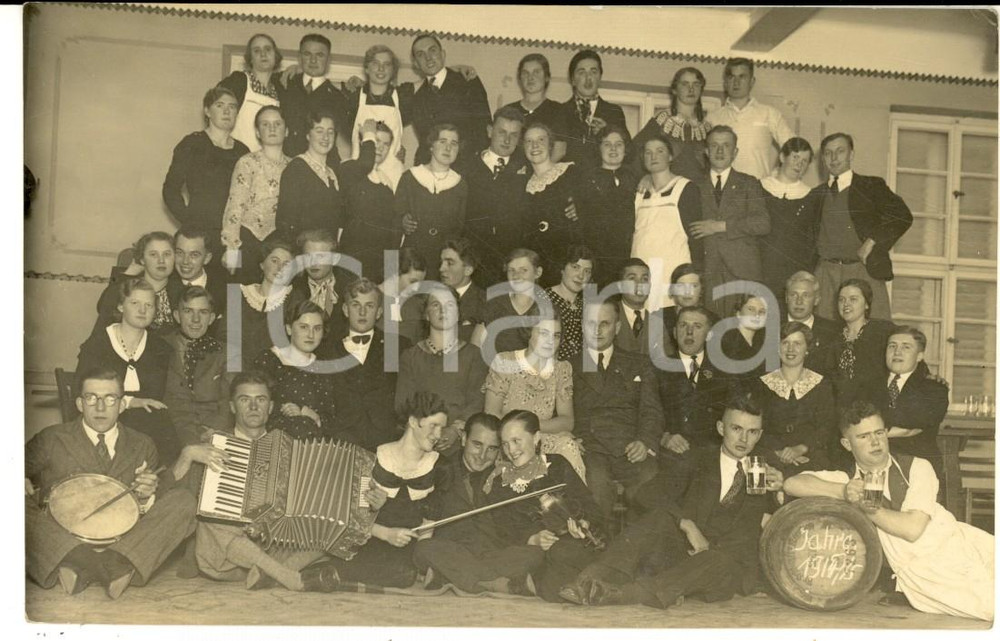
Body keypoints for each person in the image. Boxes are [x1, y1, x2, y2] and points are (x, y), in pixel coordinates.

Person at [559, 393, 784, 609]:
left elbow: (788, 519)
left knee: (719, 561)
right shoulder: (698, 459)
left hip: (722, 567)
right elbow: (647, 493)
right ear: (720, 428)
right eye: (736, 429)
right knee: (660, 518)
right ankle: (587, 582)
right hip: (684, 552)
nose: (744, 439)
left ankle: (625, 594)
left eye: (752, 432)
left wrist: (780, 491)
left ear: (760, 435)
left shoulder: (767, 468)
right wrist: (686, 524)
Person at [784, 401, 994, 621]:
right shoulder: (848, 479)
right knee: (990, 607)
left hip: (959, 542)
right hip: (927, 571)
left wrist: (866, 506)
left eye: (879, 432)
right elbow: (792, 483)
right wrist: (843, 491)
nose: (875, 442)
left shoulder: (917, 466)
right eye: (863, 436)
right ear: (847, 444)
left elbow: (912, 529)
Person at [26, 369, 197, 599]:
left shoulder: (143, 443)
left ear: (122, 405)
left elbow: (148, 506)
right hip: (62, 536)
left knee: (184, 501)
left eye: (110, 399)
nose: (100, 407)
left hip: (122, 541)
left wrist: (147, 495)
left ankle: (106, 562)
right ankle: (90, 561)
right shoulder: (51, 438)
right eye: (91, 397)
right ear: (79, 404)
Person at [176, 371, 331, 591]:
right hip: (225, 556)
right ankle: (283, 574)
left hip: (273, 545)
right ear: (232, 407)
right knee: (212, 515)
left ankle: (268, 572)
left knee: (331, 524)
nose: (253, 406)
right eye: (244, 400)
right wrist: (187, 456)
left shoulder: (288, 447)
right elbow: (177, 498)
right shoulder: (212, 445)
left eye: (261, 399)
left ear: (270, 407)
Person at [304, 391, 450, 589]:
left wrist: (421, 555)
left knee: (403, 574)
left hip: (407, 548)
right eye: (434, 426)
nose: (439, 435)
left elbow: (429, 525)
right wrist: (386, 534)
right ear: (413, 421)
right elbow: (355, 518)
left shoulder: (441, 467)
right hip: (372, 537)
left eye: (442, 428)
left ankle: (324, 574)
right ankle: (318, 573)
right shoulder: (372, 457)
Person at [413, 413, 544, 595]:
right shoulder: (440, 468)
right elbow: (425, 522)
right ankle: (497, 583)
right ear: (464, 438)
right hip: (452, 549)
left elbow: (516, 527)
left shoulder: (504, 477)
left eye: (492, 449)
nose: (482, 456)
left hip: (493, 553)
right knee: (424, 549)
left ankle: (451, 577)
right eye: (477, 445)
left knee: (535, 554)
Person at [482, 410, 606, 603]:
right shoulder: (500, 480)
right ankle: (564, 584)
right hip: (530, 550)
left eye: (516, 441)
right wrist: (532, 538)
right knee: (531, 557)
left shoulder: (557, 465)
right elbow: (501, 527)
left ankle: (534, 584)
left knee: (563, 553)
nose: (511, 450)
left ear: (536, 437)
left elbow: (592, 509)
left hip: (567, 545)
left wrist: (583, 523)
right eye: (505, 444)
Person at [571, 299, 663, 523]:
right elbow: (559, 412)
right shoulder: (568, 365)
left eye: (605, 323)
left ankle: (639, 542)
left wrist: (645, 441)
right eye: (591, 323)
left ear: (618, 327)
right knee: (596, 489)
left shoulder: (639, 363)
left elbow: (652, 410)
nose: (597, 330)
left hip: (630, 447)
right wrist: (570, 439)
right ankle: (598, 541)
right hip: (590, 448)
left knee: (649, 485)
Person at [810, 132, 913, 321]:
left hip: (863, 271)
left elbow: (902, 216)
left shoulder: (871, 186)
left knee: (872, 331)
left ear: (851, 154)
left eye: (840, 151)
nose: (834, 158)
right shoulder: (815, 194)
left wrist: (872, 241)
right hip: (825, 275)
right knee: (825, 332)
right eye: (828, 153)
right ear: (823, 158)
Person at [78, 278, 177, 463]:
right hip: (103, 415)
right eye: (135, 303)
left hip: (149, 424)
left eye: (149, 305)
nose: (142, 310)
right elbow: (84, 389)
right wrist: (131, 402)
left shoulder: (161, 348)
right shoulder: (98, 344)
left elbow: (164, 394)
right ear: (121, 306)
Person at [647, 306, 732, 505]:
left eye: (697, 326)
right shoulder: (657, 368)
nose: (689, 332)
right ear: (674, 332)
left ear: (709, 334)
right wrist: (664, 437)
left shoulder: (724, 370)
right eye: (683, 325)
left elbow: (734, 413)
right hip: (672, 451)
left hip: (713, 451)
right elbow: (647, 412)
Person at [483, 314, 583, 479]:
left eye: (556, 336)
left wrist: (533, 432)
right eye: (543, 333)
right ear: (529, 332)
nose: (550, 341)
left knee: (567, 445)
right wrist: (526, 432)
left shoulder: (561, 369)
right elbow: (491, 414)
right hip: (508, 442)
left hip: (542, 440)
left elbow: (567, 421)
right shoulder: (505, 361)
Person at [396, 285, 489, 456]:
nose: (442, 310)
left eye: (449, 305)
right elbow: (404, 402)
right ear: (426, 314)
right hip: (419, 440)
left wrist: (455, 430)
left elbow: (476, 402)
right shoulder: (410, 356)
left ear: (458, 313)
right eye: (435, 305)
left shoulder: (474, 356)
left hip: (458, 444)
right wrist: (428, 432)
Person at [692, 125, 770, 318]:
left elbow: (762, 223)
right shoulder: (693, 186)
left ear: (735, 152)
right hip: (709, 271)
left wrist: (721, 226)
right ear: (706, 151)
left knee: (743, 327)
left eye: (726, 146)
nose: (720, 151)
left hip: (743, 270)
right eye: (714, 145)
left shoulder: (749, 183)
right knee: (712, 326)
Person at [162, 86, 249, 247]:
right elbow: (170, 189)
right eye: (220, 105)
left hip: (233, 236)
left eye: (232, 107)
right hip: (199, 234)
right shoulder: (192, 143)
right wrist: (189, 222)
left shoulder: (243, 151)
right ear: (207, 111)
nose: (227, 111)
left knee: (234, 264)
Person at [328, 278, 407, 451]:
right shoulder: (328, 349)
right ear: (345, 310)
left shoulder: (399, 346)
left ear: (379, 312)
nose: (362, 312)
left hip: (386, 438)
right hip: (341, 437)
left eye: (369, 306)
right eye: (356, 305)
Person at [860, 326, 949, 479]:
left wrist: (866, 434)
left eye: (906, 347)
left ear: (919, 356)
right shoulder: (867, 386)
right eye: (892, 346)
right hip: (869, 463)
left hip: (915, 465)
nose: (897, 352)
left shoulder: (934, 389)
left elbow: (911, 427)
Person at [220, 105, 291, 284]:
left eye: (277, 124)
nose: (272, 128)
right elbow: (235, 204)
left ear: (286, 131)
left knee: (274, 293)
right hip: (248, 238)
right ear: (258, 132)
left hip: (279, 242)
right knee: (239, 292)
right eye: (265, 124)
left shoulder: (294, 166)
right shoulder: (247, 162)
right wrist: (231, 248)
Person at [755, 321, 837, 475]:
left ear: (807, 349)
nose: (790, 349)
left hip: (811, 456)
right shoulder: (762, 384)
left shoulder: (821, 384)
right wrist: (778, 452)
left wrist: (801, 448)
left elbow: (827, 427)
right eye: (785, 343)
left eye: (797, 343)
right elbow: (756, 426)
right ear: (778, 348)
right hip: (771, 455)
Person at [459, 106, 530, 280]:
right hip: (472, 254)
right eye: (502, 132)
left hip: (509, 256)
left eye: (514, 135)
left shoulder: (527, 168)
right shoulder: (467, 165)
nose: (507, 140)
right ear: (490, 131)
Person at [632, 133, 702, 308]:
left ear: (670, 156)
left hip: (673, 270)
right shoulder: (639, 191)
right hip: (643, 271)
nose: (653, 156)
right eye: (648, 152)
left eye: (660, 151)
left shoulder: (685, 188)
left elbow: (696, 236)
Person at [250, 299, 335, 440]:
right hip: (271, 439)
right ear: (289, 329)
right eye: (304, 327)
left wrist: (314, 416)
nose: (311, 335)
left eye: (317, 328)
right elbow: (254, 402)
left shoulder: (323, 368)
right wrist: (292, 410)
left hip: (312, 443)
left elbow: (331, 417)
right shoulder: (269, 360)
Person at [162, 286, 230, 447]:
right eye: (188, 311)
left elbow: (230, 400)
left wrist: (215, 430)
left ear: (211, 318)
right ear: (177, 316)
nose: (196, 319)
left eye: (203, 312)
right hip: (170, 433)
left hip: (213, 432)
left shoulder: (227, 352)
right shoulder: (159, 347)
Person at [705, 58, 794, 180]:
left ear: (752, 81)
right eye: (731, 77)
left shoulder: (769, 113)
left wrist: (775, 177)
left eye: (742, 77)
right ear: (725, 82)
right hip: (721, 187)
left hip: (758, 187)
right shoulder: (712, 117)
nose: (736, 82)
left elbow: (794, 148)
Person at [409, 33, 491, 165]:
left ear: (443, 54)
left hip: (465, 169)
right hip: (428, 169)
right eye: (420, 54)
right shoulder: (415, 95)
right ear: (416, 64)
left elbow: (484, 131)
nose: (428, 57)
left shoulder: (467, 81)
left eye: (432, 50)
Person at [396, 123, 468, 269]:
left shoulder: (460, 185)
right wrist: (402, 220)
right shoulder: (410, 177)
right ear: (431, 146)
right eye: (442, 142)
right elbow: (394, 217)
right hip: (411, 257)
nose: (448, 148)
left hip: (442, 261)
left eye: (454, 144)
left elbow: (460, 229)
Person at [339, 120, 404, 281]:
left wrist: (390, 274)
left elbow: (392, 231)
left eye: (386, 144)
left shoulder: (386, 183)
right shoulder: (348, 169)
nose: (380, 148)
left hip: (377, 266)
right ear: (365, 142)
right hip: (350, 259)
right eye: (376, 141)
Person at [759, 137, 823, 300]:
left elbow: (812, 240)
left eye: (804, 161)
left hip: (793, 272)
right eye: (795, 157)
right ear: (782, 157)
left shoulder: (811, 197)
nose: (799, 164)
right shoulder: (758, 187)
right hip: (760, 268)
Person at [576, 125, 638, 286]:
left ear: (626, 149)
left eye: (619, 144)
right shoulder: (586, 179)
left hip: (627, 254)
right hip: (596, 256)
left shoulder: (635, 178)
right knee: (594, 299)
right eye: (607, 144)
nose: (613, 149)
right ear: (599, 148)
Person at [342, 44, 413, 185]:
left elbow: (428, 81)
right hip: (360, 173)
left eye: (387, 64)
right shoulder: (353, 99)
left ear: (393, 70)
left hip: (392, 174)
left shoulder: (402, 97)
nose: (381, 69)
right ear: (367, 68)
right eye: (375, 63)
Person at [522, 123, 583, 282]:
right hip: (538, 265)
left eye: (541, 140)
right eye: (529, 141)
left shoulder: (571, 172)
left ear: (550, 145)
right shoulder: (523, 185)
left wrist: (581, 208)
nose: (535, 145)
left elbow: (592, 207)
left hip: (568, 262)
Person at [93, 231, 182, 338]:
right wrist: (127, 275)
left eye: (167, 254)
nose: (161, 260)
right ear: (142, 259)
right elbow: (102, 309)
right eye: (153, 254)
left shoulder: (181, 291)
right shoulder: (129, 287)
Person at [275, 110, 344, 242]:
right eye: (319, 131)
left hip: (327, 251)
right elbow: (285, 223)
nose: (326, 137)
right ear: (308, 135)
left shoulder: (332, 174)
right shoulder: (296, 169)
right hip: (304, 250)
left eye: (330, 132)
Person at [280, 34, 349, 166]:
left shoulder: (339, 98)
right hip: (285, 165)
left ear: (328, 60)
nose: (313, 60)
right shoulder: (285, 84)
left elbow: (344, 144)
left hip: (322, 168)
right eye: (307, 54)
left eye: (320, 55)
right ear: (299, 57)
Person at [631, 67, 711, 180]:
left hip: (699, 188)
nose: (691, 89)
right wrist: (647, 177)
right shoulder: (661, 121)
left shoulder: (706, 128)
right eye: (685, 84)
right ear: (674, 90)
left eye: (696, 84)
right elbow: (634, 154)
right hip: (667, 187)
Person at [830, 278, 895, 410]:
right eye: (841, 300)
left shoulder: (883, 331)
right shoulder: (833, 337)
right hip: (841, 410)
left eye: (853, 299)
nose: (846, 304)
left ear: (866, 304)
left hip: (876, 409)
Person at [472, 247, 551, 356]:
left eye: (523, 270)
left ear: (538, 272)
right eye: (511, 270)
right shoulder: (494, 304)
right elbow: (475, 347)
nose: (516, 276)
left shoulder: (546, 310)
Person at [557, 50, 628, 168]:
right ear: (572, 80)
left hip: (603, 178)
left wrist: (608, 131)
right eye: (581, 72)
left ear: (600, 77)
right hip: (568, 178)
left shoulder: (614, 112)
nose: (588, 77)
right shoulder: (559, 111)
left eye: (593, 72)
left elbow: (630, 154)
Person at [233, 238, 295, 370]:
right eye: (274, 261)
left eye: (286, 264)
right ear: (262, 264)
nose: (280, 268)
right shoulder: (238, 294)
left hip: (277, 371)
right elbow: (225, 338)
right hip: (237, 368)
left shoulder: (295, 299)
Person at [288, 228, 348, 356]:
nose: (313, 263)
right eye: (308, 256)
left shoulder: (348, 289)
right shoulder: (292, 289)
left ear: (335, 259)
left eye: (320, 256)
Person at [219, 33, 283, 152]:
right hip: (236, 156)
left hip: (266, 159)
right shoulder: (239, 81)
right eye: (257, 51)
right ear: (250, 59)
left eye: (268, 49)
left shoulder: (279, 90)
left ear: (276, 56)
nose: (263, 54)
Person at [502, 53, 567, 161]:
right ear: (519, 78)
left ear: (546, 77)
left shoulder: (558, 110)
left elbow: (559, 150)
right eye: (525, 73)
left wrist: (541, 170)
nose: (530, 77)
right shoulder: (508, 110)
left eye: (536, 72)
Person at [782, 271, 841, 376]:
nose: (799, 301)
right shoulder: (770, 330)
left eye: (806, 295)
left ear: (816, 300)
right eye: (793, 295)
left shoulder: (832, 332)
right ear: (786, 298)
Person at [172, 228, 228, 334]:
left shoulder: (225, 290)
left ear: (207, 258)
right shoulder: (164, 285)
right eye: (180, 253)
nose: (185, 261)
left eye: (194, 255)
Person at [543, 245, 593, 362]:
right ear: (562, 269)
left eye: (587, 271)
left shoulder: (588, 305)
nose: (581, 276)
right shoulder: (542, 298)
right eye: (575, 267)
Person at [660, 263, 719, 356]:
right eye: (681, 286)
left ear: (701, 290)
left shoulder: (714, 320)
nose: (687, 292)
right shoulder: (659, 317)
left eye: (693, 286)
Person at [440, 238, 487, 343]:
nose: (441, 268)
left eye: (450, 263)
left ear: (468, 270)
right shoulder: (429, 297)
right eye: (441, 262)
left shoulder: (485, 303)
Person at [379, 247, 428, 346]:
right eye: (413, 282)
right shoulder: (368, 299)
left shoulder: (418, 305)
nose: (416, 288)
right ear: (395, 273)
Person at [719, 293, 770, 383]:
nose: (757, 315)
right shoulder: (725, 343)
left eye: (762, 311)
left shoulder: (765, 344)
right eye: (751, 309)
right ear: (738, 313)